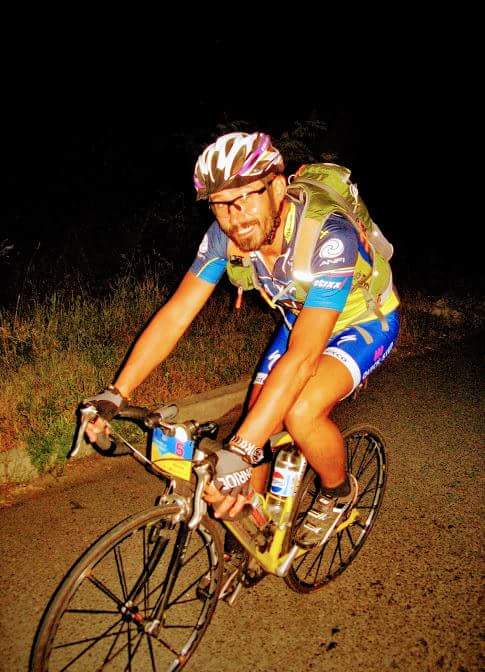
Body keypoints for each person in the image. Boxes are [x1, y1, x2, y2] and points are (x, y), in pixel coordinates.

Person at [86, 131, 399, 548]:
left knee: (298, 412)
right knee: (257, 415)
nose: (235, 218)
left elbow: (304, 358)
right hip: (300, 319)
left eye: (245, 199)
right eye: (220, 205)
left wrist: (241, 448)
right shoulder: (225, 236)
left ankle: (338, 492)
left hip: (363, 323)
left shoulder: (329, 234)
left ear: (278, 187)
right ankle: (254, 521)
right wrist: (117, 392)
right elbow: (177, 314)